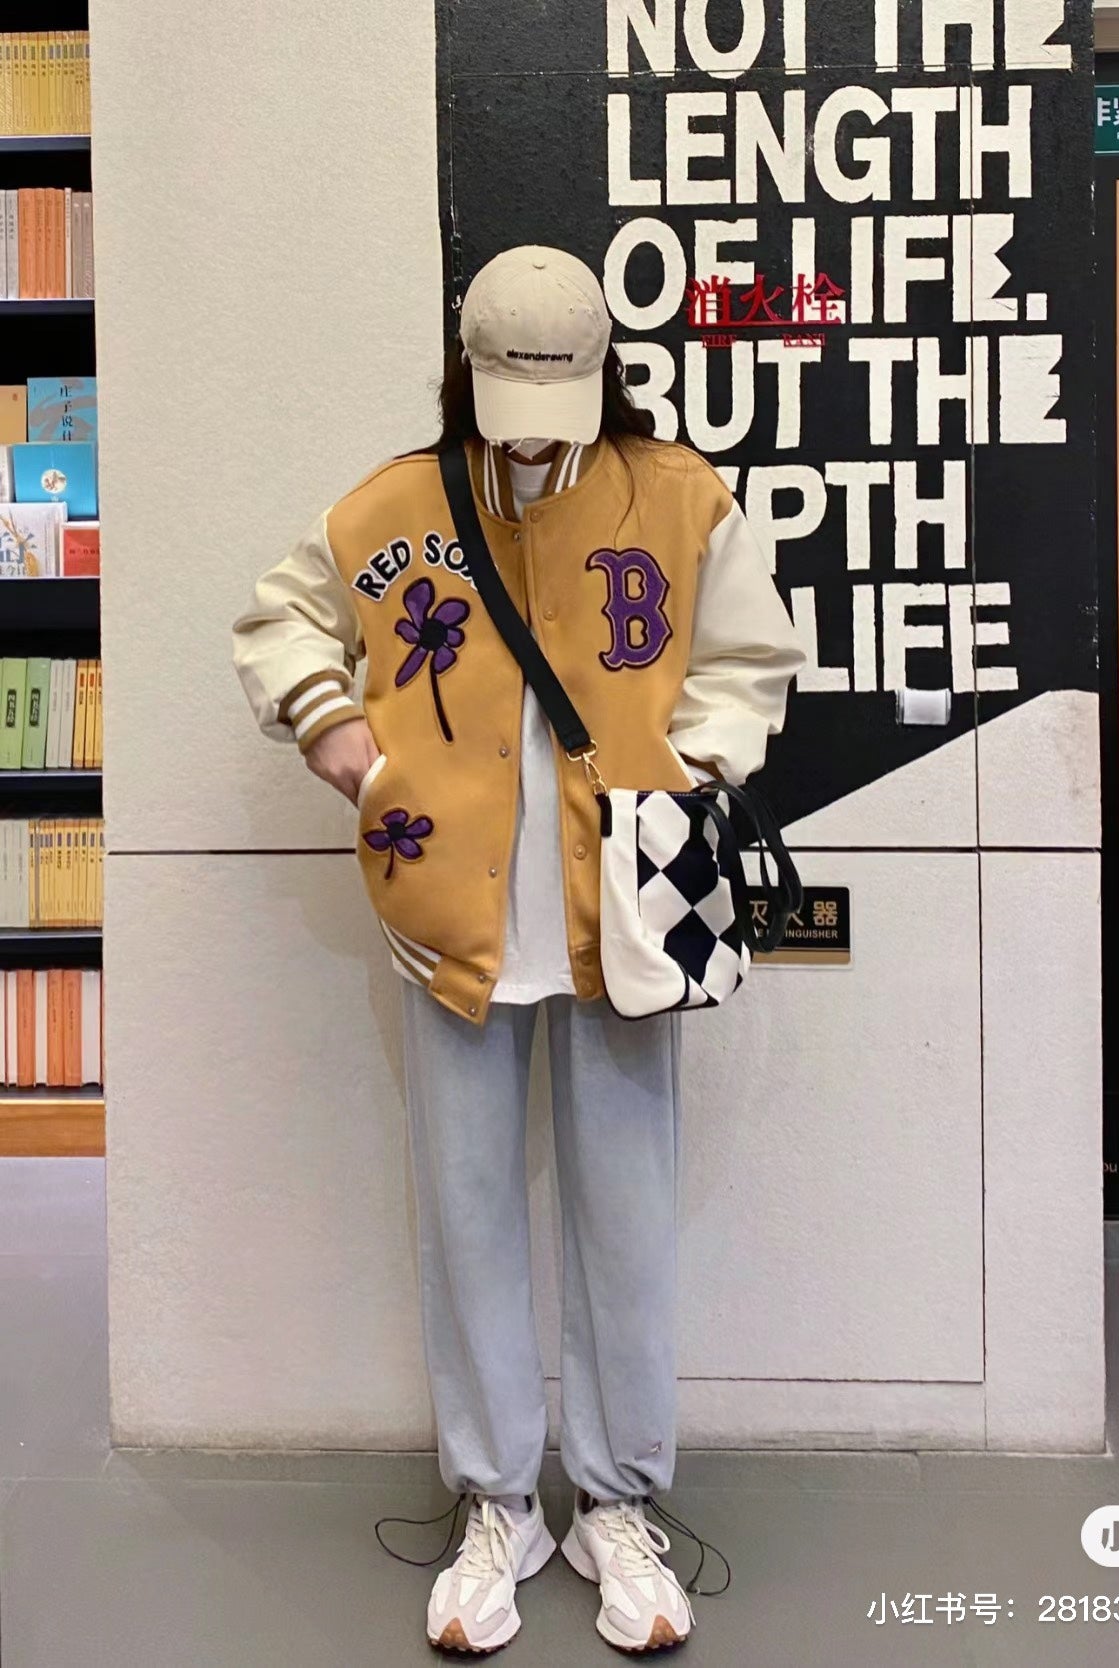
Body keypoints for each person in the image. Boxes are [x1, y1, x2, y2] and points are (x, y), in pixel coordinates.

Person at [231, 245, 805, 1654]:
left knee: (626, 1212)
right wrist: (351, 752)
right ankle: (498, 1501)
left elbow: (750, 659)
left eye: (557, 394)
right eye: (507, 395)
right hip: (449, 914)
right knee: (468, 1211)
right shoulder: (394, 504)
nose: (534, 428)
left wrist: (693, 768)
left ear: (604, 373)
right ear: (463, 370)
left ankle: (618, 1501)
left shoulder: (678, 497)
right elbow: (281, 621)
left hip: (626, 915)